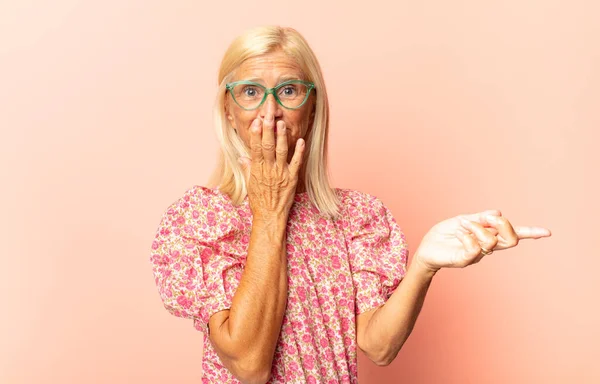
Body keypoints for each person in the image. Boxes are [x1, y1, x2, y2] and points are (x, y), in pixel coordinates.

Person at [149, 25, 552, 384]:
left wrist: (423, 266)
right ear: (228, 109)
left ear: (312, 108)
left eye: (288, 91)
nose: (270, 113)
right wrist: (270, 212)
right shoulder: (198, 220)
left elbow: (379, 347)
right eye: (251, 92)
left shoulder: (357, 217)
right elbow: (249, 365)